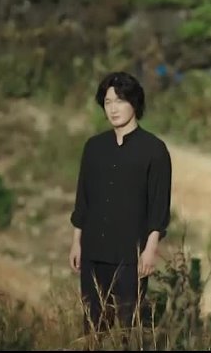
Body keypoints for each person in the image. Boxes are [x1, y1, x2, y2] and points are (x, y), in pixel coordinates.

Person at [68, 71, 172, 344]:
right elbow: (83, 198)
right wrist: (76, 242)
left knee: (128, 333)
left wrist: (150, 249)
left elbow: (159, 206)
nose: (113, 108)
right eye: (107, 102)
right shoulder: (94, 147)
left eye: (120, 100)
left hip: (130, 257)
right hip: (93, 251)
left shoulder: (155, 150)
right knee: (92, 331)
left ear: (134, 103)